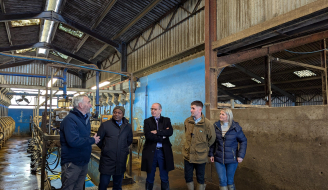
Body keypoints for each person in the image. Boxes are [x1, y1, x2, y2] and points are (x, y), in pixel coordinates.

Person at [60, 95, 100, 190]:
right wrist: (92, 140)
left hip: (83, 161)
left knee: (79, 187)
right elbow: (73, 141)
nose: (91, 105)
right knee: (68, 187)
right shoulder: (70, 120)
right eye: (88, 102)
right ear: (81, 105)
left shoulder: (84, 119)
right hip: (72, 162)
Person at [208, 108, 247, 190]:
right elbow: (213, 141)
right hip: (218, 158)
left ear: (228, 116)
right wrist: (211, 154)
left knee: (230, 180)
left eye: (223, 114)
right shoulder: (216, 127)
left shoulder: (236, 128)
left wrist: (241, 155)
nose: (220, 115)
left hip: (232, 159)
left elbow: (243, 141)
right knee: (222, 180)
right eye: (220, 114)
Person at [96, 106, 133, 190]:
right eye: (115, 112)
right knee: (104, 183)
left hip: (121, 159)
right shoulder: (105, 125)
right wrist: (106, 148)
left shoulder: (127, 126)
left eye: (119, 113)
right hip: (107, 159)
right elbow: (99, 140)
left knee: (117, 184)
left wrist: (122, 149)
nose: (116, 114)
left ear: (123, 114)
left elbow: (129, 140)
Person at [183, 100, 216, 190]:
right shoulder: (187, 122)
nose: (191, 110)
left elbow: (212, 139)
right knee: (188, 176)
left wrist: (203, 147)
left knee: (200, 177)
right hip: (188, 155)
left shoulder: (207, 124)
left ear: (200, 109)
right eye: (191, 108)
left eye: (193, 108)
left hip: (200, 156)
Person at [141, 103, 174, 190]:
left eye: (155, 109)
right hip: (151, 151)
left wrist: (157, 132)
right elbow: (148, 136)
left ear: (160, 110)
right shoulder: (147, 121)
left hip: (163, 151)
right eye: (152, 109)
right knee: (150, 176)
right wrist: (163, 135)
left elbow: (170, 132)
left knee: (164, 175)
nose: (153, 111)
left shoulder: (166, 120)